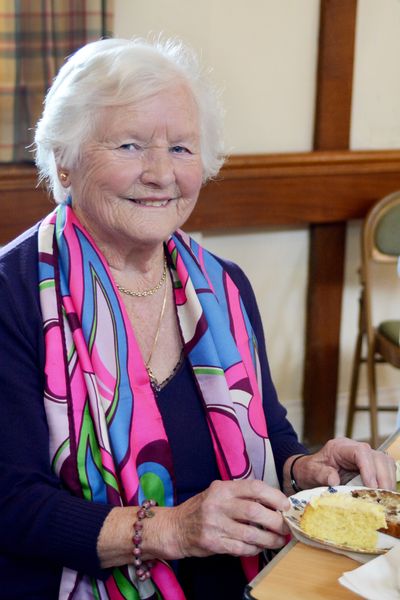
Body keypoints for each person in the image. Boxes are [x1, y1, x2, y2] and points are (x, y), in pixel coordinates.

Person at [0, 37, 396, 600]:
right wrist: (171, 530)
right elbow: (12, 504)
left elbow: (269, 435)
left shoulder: (223, 285)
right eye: (131, 145)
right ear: (63, 160)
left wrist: (304, 468)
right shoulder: (11, 294)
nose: (162, 174)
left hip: (241, 577)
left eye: (183, 149)